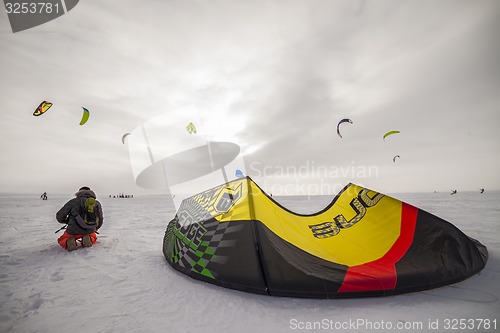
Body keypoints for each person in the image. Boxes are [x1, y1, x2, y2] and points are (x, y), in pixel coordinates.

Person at [56, 186, 103, 251]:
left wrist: (66, 221)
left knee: (62, 239)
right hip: (90, 229)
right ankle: (88, 238)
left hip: (73, 230)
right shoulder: (96, 203)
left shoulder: (73, 202)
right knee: (93, 236)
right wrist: (96, 227)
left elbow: (60, 215)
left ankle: (68, 241)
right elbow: (100, 218)